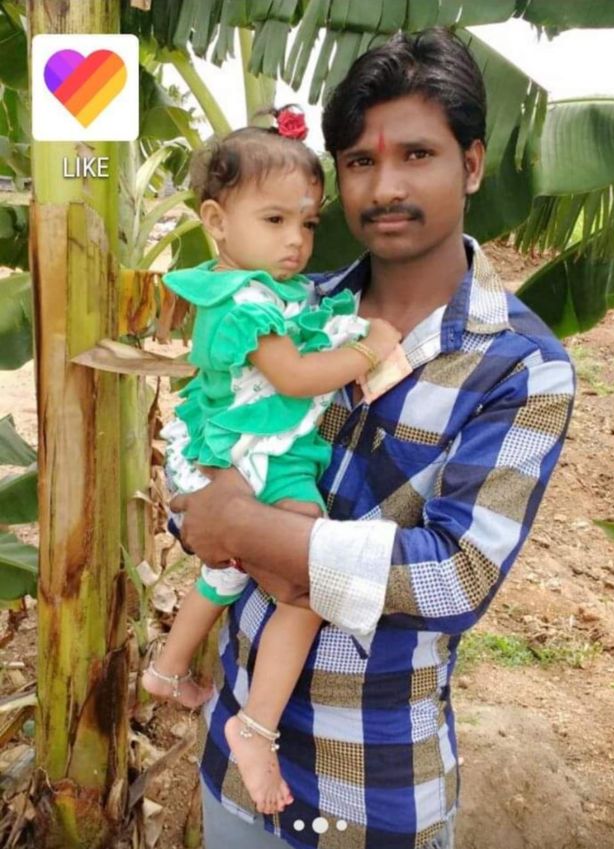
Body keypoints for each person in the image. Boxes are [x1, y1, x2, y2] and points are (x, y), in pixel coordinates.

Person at [172, 28, 575, 849]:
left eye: (417, 155)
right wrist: (208, 512)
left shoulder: (519, 365)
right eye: (359, 161)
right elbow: (200, 470)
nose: (385, 186)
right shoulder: (291, 310)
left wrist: (245, 527)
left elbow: (455, 575)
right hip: (232, 761)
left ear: (471, 164)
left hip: (372, 786)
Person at [142, 118, 401, 816]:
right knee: (310, 582)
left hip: (235, 454)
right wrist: (371, 349)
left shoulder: (247, 288)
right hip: (259, 459)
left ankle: (167, 668)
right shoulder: (246, 303)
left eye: (308, 223)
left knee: (225, 574)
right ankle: (254, 730)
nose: (297, 241)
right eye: (276, 219)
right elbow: (294, 377)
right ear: (215, 222)